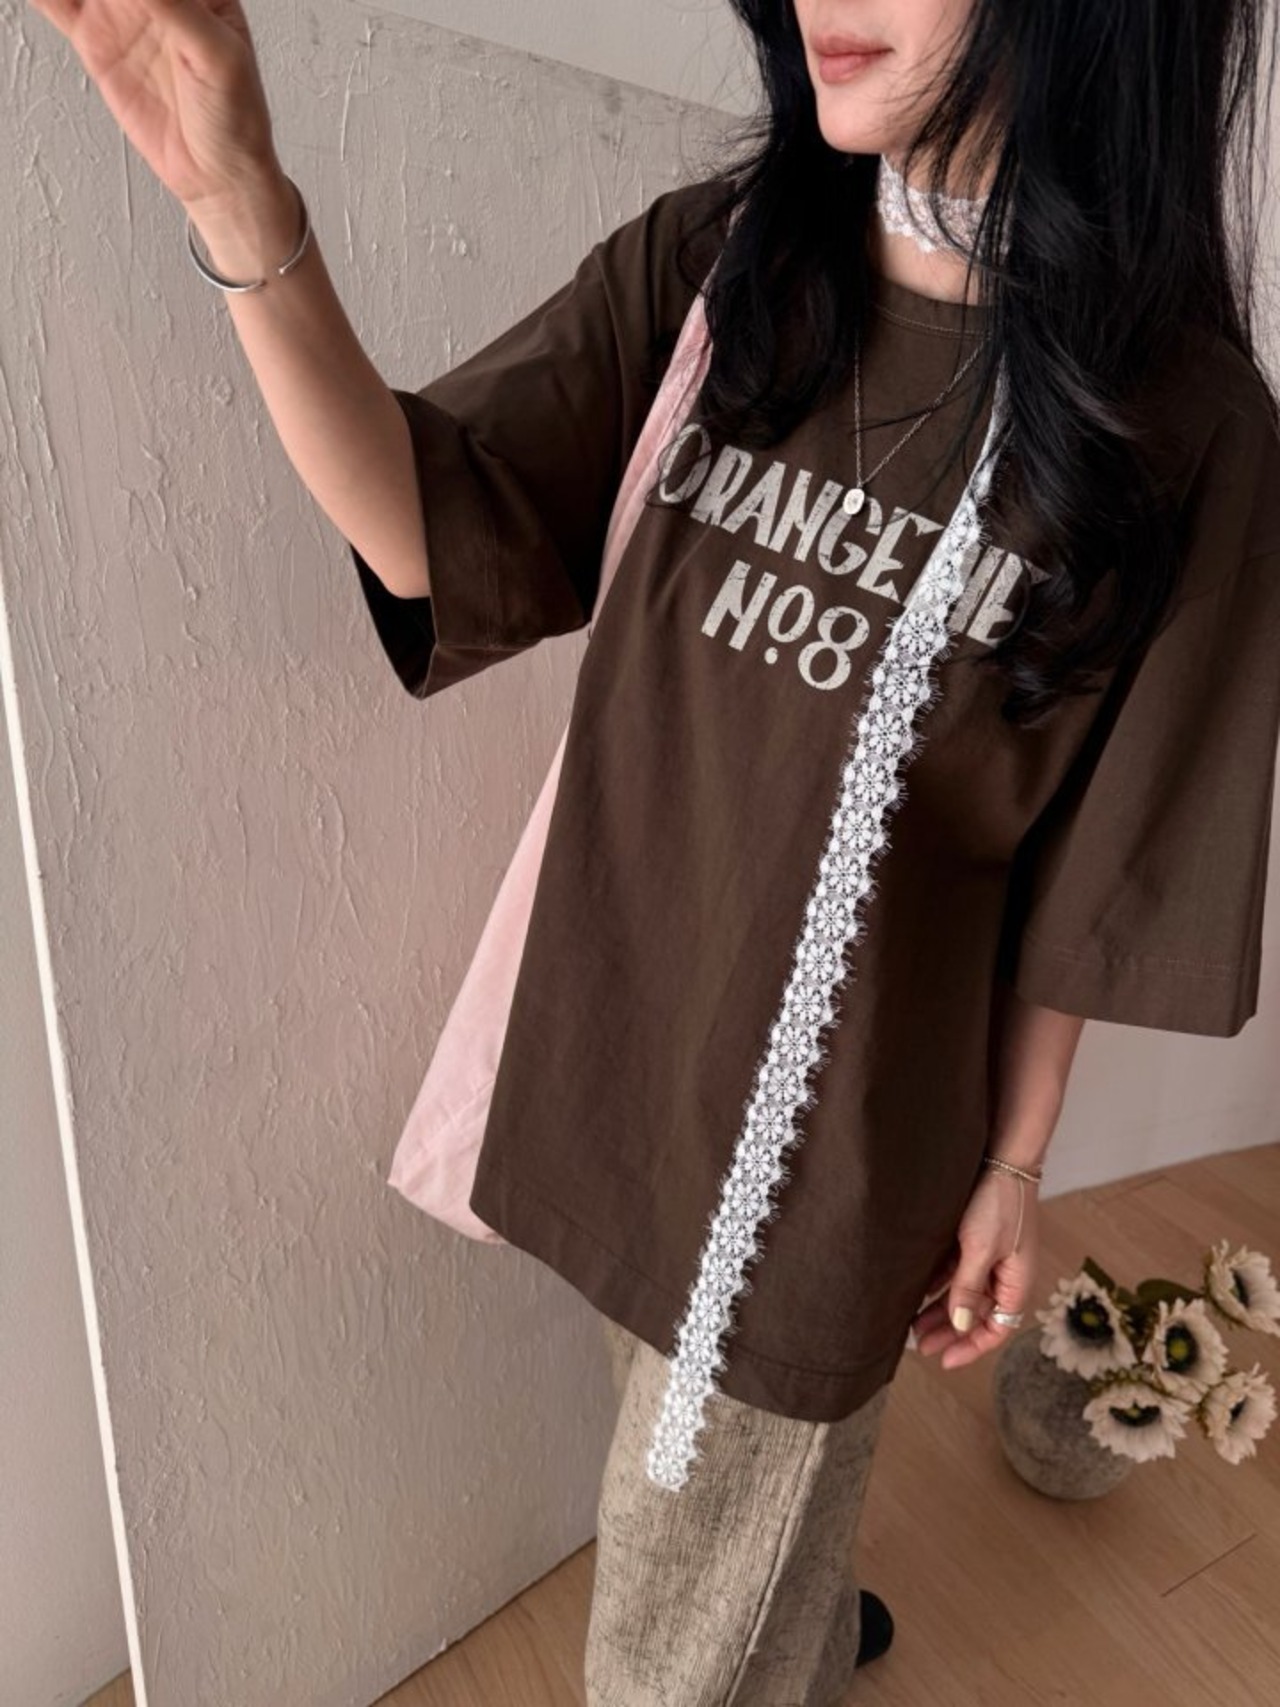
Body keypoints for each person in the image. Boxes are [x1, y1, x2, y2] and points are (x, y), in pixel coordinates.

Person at [32, 0, 1280, 1698]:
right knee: (717, 1531)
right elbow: (434, 524)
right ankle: (798, 1634)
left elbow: (1100, 870)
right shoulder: (730, 267)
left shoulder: (1190, 434)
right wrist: (241, 204)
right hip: (621, 1071)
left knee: (667, 1644)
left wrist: (1014, 1165)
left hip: (832, 1163)